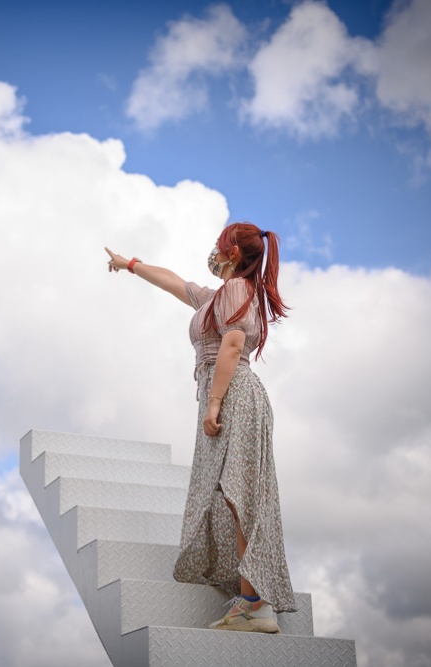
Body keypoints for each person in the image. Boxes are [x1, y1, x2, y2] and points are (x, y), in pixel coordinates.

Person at [104, 222, 296, 633]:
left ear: (233, 253)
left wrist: (213, 403)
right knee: (232, 494)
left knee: (238, 493)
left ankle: (255, 601)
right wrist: (130, 264)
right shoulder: (219, 296)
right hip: (229, 391)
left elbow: (231, 345)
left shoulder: (234, 291)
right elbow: (176, 282)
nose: (212, 252)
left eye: (218, 246)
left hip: (232, 393)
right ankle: (250, 595)